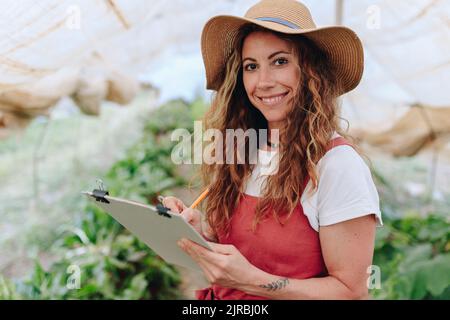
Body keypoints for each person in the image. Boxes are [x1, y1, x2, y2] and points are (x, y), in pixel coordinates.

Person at [162, 0, 382, 300]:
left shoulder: (337, 165)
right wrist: (198, 230)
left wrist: (254, 281)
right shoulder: (244, 150)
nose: (263, 82)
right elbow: (244, 248)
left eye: (280, 61)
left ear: (310, 71)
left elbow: (350, 291)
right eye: (251, 66)